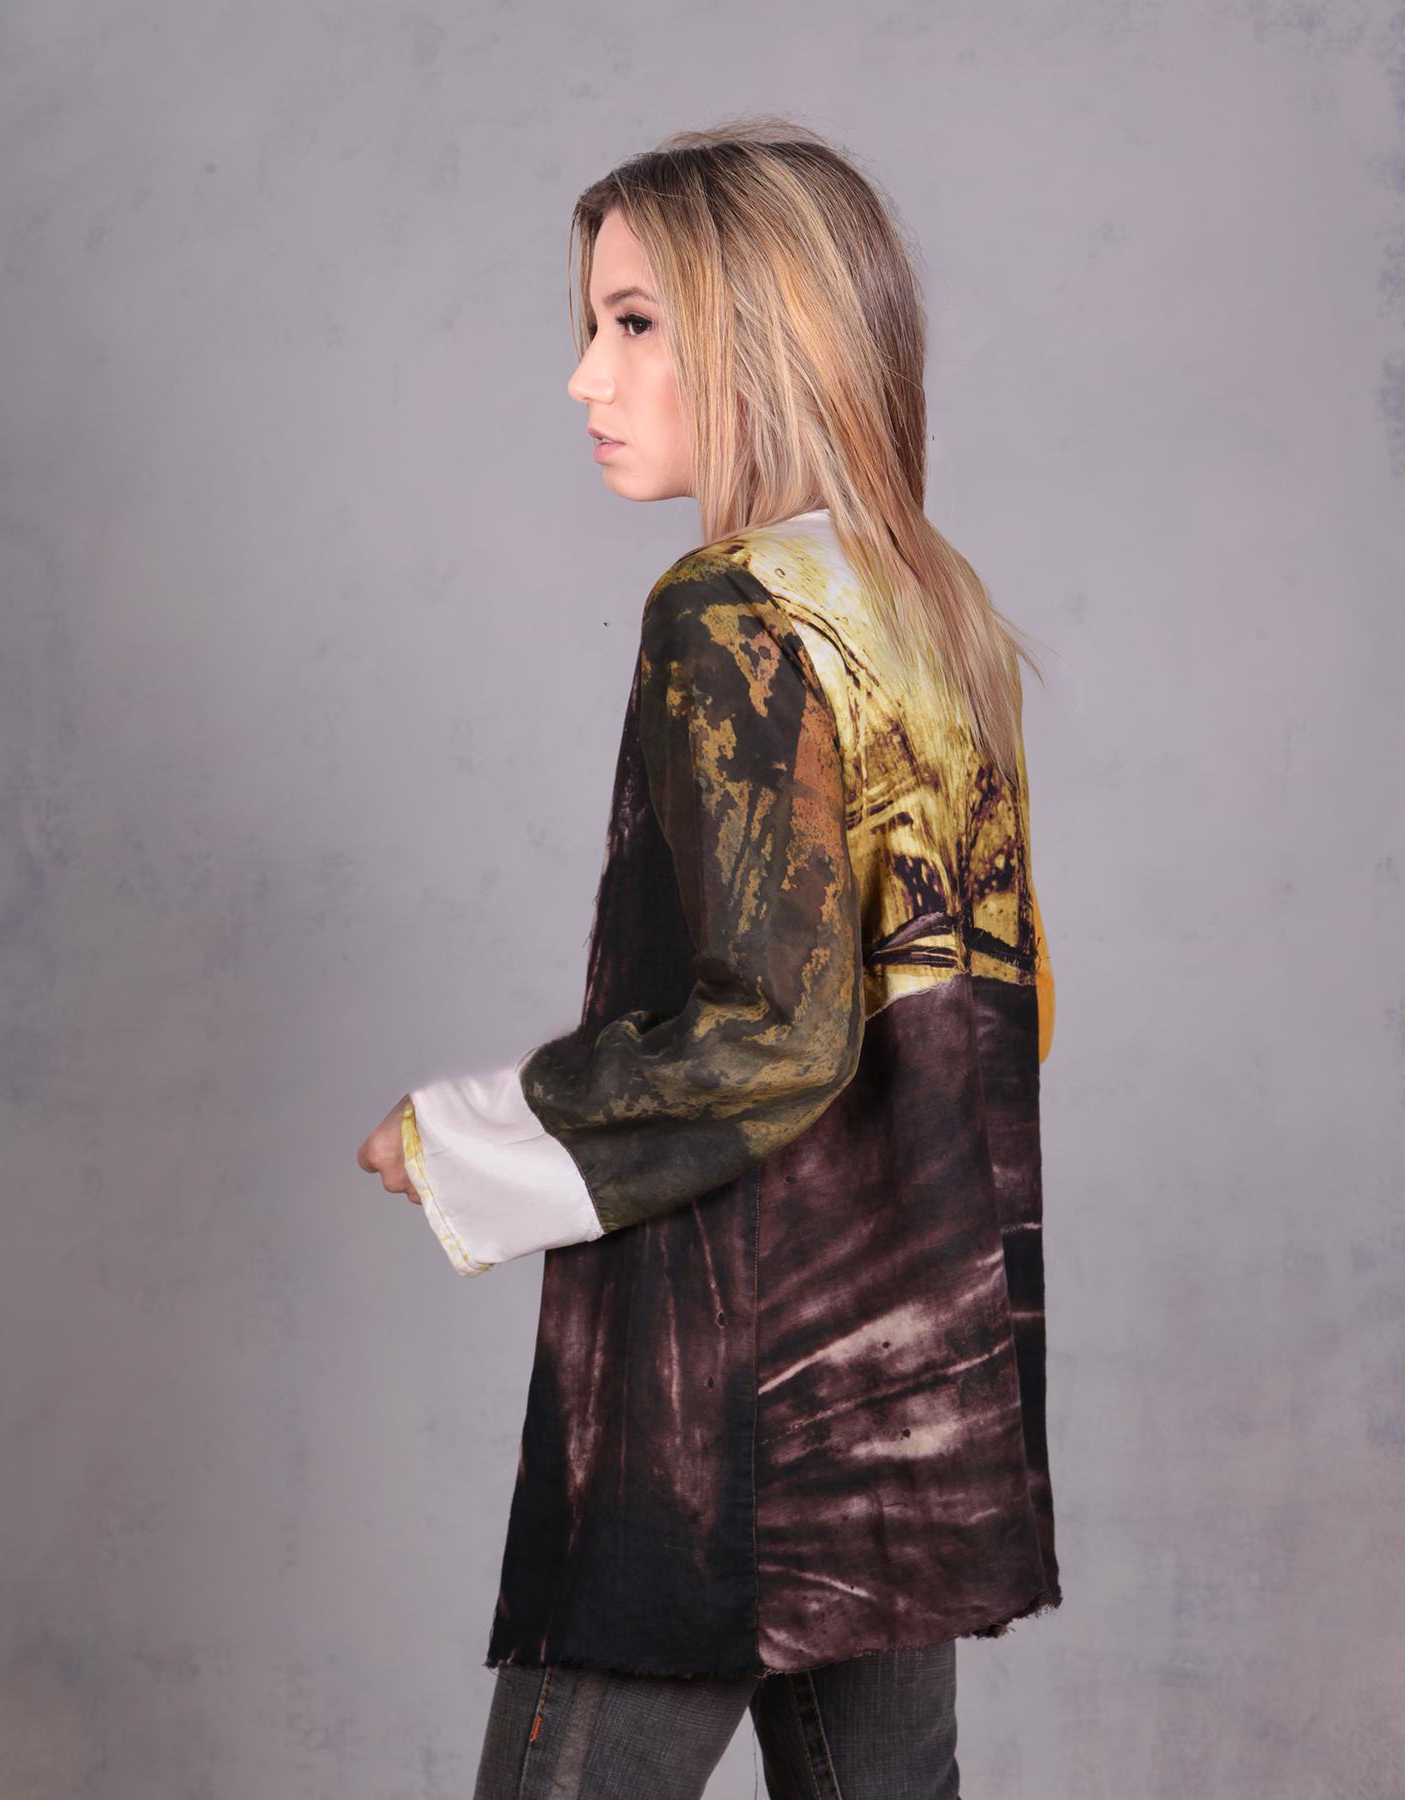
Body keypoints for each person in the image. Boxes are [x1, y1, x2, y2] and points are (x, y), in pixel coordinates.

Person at [357, 115, 1061, 1800]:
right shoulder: (922, 602)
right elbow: (1010, 1005)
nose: (584, 376)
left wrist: (465, 1134)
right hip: (904, 1352)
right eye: (592, 324)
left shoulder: (732, 610)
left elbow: (774, 1033)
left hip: (718, 1389)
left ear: (769, 334)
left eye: (634, 322)